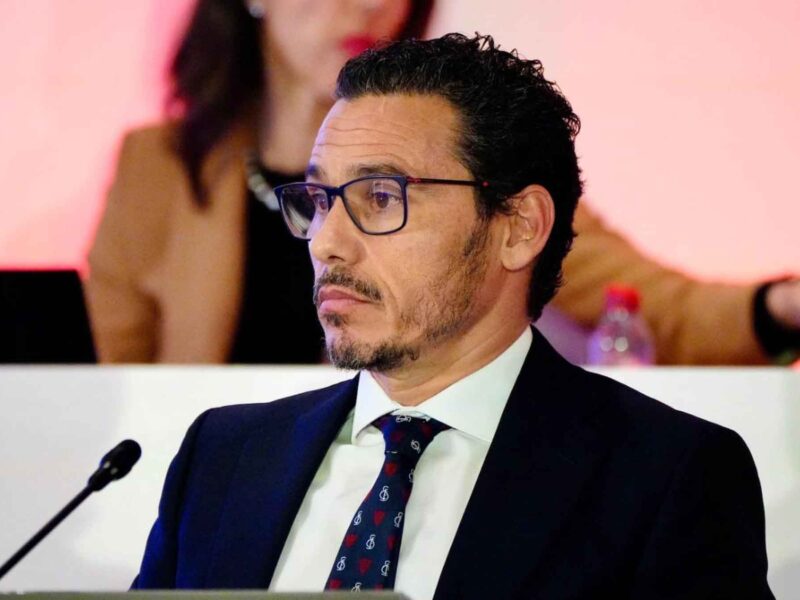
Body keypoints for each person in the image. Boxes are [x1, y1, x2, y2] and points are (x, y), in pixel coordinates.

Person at [133, 34, 773, 598]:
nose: (327, 241)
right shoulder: (225, 456)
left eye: (380, 196)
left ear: (518, 227)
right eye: (321, 199)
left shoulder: (663, 477)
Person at [86, 0, 800, 365]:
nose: (370, 5)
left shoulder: (461, 159)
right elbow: (97, 376)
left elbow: (653, 306)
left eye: (378, 196)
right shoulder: (158, 167)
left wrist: (777, 308)